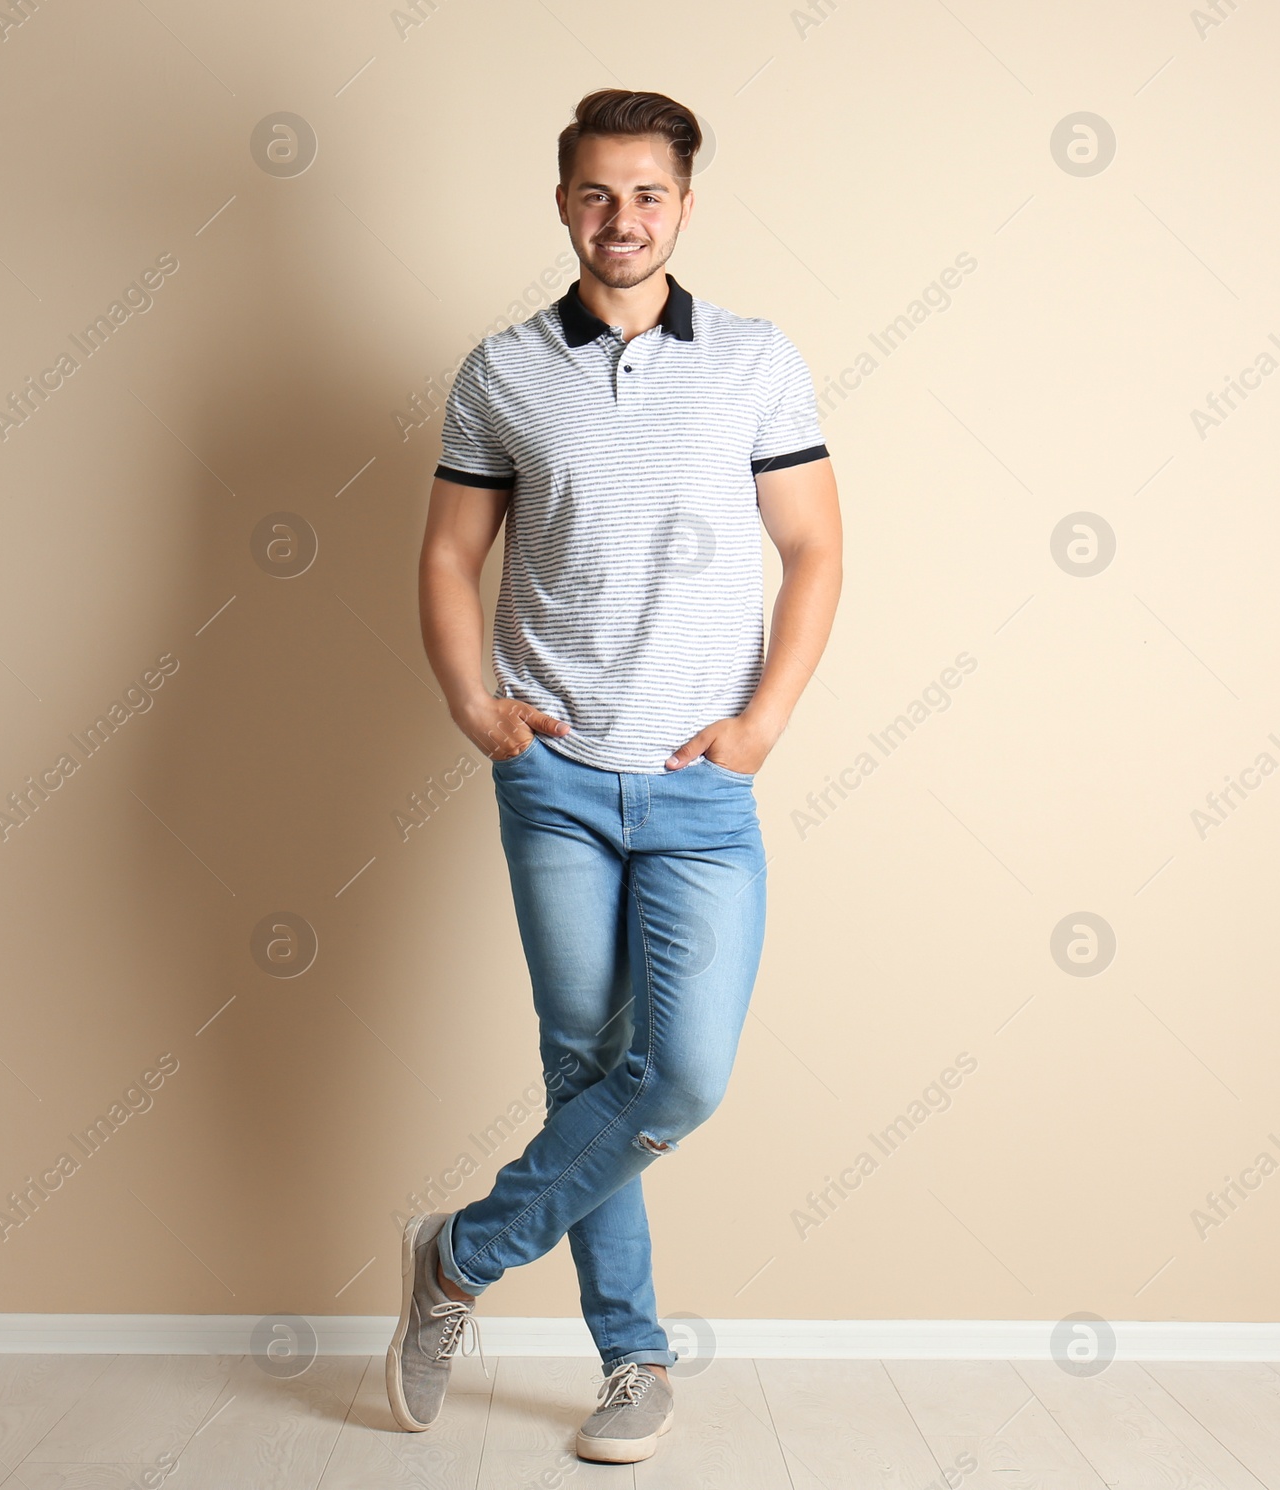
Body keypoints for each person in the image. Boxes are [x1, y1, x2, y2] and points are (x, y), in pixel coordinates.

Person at [392, 87, 842, 1465]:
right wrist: (474, 701)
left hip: (704, 783)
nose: (623, 219)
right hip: (558, 777)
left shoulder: (757, 362)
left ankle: (460, 1255)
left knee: (678, 1074)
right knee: (585, 1066)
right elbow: (449, 554)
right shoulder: (502, 371)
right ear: (563, 204)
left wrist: (761, 724)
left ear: (685, 205)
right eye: (597, 193)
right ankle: (633, 1358)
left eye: (648, 194)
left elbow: (816, 551)